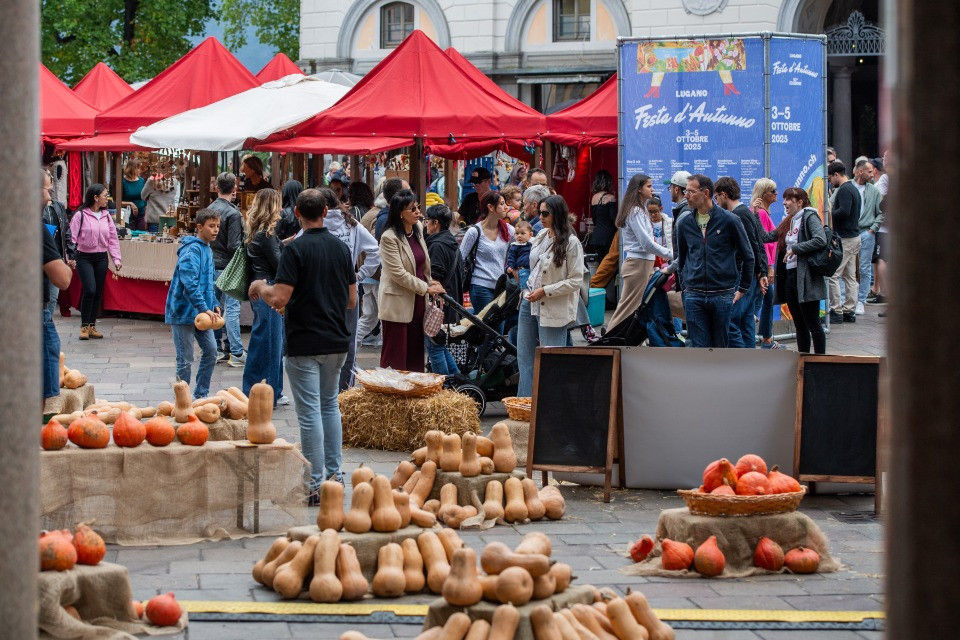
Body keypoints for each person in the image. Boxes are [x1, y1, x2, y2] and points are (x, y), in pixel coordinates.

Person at [249, 189, 357, 495]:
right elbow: (351, 300)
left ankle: (313, 484)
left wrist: (260, 286)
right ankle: (334, 477)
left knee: (310, 413)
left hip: (305, 340)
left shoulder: (294, 250)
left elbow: (279, 298)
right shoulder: (341, 248)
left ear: (296, 213)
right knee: (329, 406)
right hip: (336, 340)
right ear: (325, 212)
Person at [517, 195, 585, 396]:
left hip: (552, 306)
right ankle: (525, 406)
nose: (541, 217)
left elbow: (576, 281)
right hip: (529, 300)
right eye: (540, 213)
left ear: (558, 214)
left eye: (545, 213)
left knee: (550, 362)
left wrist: (545, 291)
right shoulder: (540, 235)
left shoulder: (572, 242)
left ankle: (549, 408)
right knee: (525, 360)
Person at [674, 174, 753, 348]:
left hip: (722, 294)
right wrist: (685, 288)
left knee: (720, 348)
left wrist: (742, 289)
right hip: (694, 294)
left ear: (706, 193)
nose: (686, 195)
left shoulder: (730, 220)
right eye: (685, 191)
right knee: (699, 348)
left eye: (691, 191)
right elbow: (681, 259)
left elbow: (748, 255)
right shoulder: (684, 223)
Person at [378, 189, 445, 371]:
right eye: (412, 209)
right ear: (400, 213)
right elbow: (398, 273)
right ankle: (392, 388)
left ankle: (413, 386)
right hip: (397, 303)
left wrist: (430, 281)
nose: (417, 212)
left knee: (415, 353)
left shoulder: (418, 230)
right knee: (396, 356)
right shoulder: (389, 237)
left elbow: (421, 264)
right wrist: (426, 287)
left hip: (418, 301)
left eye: (418, 207)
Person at [323, 187, 380, 390]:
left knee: (323, 340)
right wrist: (360, 274)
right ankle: (344, 388)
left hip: (320, 291)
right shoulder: (352, 224)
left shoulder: (315, 224)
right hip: (348, 289)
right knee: (348, 340)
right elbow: (375, 251)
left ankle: (326, 388)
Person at [761, 187, 827, 353]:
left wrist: (795, 249)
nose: (784, 203)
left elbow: (820, 239)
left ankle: (820, 361)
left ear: (800, 202)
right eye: (784, 199)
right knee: (799, 323)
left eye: (789, 199)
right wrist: (754, 215)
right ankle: (803, 359)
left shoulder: (809, 216)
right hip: (790, 277)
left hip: (806, 278)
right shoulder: (789, 221)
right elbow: (767, 237)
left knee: (813, 323)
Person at [164, 208, 222, 399]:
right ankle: (182, 401)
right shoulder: (191, 250)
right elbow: (190, 283)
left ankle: (201, 395)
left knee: (211, 351)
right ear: (199, 227)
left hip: (202, 312)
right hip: (183, 312)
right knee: (185, 359)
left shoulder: (207, 249)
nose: (215, 230)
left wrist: (213, 303)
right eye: (211, 226)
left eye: (217, 226)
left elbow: (209, 282)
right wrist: (204, 307)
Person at [607, 174, 673, 328]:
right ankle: (610, 339)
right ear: (638, 189)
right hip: (638, 265)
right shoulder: (635, 211)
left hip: (642, 264)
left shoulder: (640, 209)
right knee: (627, 309)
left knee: (638, 308)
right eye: (649, 186)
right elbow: (647, 244)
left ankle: (629, 340)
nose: (652, 189)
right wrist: (671, 254)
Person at [241, 189, 285, 402]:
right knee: (270, 343)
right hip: (268, 288)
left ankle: (267, 390)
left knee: (265, 340)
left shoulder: (256, 231)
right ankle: (267, 393)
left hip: (260, 287)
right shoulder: (267, 234)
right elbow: (279, 264)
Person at [715, 177, 768, 348]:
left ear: (723, 194)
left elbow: (752, 246)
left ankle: (741, 358)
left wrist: (759, 272)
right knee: (746, 323)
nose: (716, 202)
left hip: (743, 275)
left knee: (731, 321)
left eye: (716, 197)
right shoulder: (745, 212)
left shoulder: (738, 215)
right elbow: (758, 243)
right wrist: (761, 272)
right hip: (750, 275)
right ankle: (749, 359)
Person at [70, 184, 122, 340]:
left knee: (98, 291)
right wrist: (70, 257)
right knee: (90, 290)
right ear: (95, 197)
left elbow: (113, 239)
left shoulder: (107, 216)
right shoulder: (80, 215)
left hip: (101, 257)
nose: (107, 198)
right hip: (84, 257)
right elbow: (71, 237)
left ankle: (92, 326)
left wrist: (116, 259)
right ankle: (84, 326)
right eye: (105, 195)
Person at [208, 172, 246, 366]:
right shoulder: (233, 213)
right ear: (234, 189)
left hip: (211, 264)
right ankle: (236, 351)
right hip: (228, 266)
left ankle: (215, 349)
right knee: (231, 309)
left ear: (217, 188)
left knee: (214, 308)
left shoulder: (209, 209)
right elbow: (233, 245)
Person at [41, 172, 73, 401]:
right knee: (46, 389)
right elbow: (63, 279)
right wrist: (66, 266)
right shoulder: (34, 228)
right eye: (47, 190)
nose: (50, 197)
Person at [424, 203, 464, 376]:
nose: (425, 224)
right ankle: (456, 380)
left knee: (434, 348)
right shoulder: (450, 242)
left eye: (427, 220)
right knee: (440, 346)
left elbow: (435, 278)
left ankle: (446, 384)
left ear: (436, 223)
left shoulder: (437, 245)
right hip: (449, 303)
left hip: (439, 305)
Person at [459, 190, 514, 314]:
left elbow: (520, 247)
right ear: (490, 207)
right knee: (490, 323)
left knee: (498, 323)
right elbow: (460, 258)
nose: (506, 207)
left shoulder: (509, 230)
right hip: (480, 286)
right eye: (502, 204)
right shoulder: (474, 232)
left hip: (501, 287)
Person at [826, 161, 862, 324]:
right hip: (854, 236)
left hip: (845, 238)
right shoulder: (853, 188)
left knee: (833, 274)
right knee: (850, 276)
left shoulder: (844, 190)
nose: (830, 181)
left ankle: (836, 310)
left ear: (836, 175)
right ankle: (849, 310)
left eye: (830, 178)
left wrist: (829, 212)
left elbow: (844, 211)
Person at [749, 178, 782, 349]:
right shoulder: (760, 213)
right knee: (758, 302)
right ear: (763, 194)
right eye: (772, 191)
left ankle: (766, 338)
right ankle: (764, 339)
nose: (776, 193)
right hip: (763, 266)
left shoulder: (762, 213)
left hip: (763, 265)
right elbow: (762, 243)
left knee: (765, 299)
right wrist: (768, 267)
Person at [852, 159, 884, 316]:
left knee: (864, 268)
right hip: (849, 232)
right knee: (847, 268)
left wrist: (873, 229)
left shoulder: (874, 191)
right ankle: (847, 300)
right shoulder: (848, 187)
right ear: (860, 171)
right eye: (869, 171)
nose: (872, 174)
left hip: (866, 232)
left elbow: (881, 212)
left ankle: (861, 301)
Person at [42, 171, 76, 316]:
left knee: (52, 297)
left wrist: (71, 253)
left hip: (56, 254)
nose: (50, 192)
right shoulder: (35, 225)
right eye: (47, 189)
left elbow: (66, 230)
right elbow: (64, 279)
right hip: (47, 257)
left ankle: (47, 319)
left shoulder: (58, 206)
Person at [590, 170, 617, 257]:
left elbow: (594, 219)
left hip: (596, 236)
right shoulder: (611, 198)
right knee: (610, 262)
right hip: (609, 236)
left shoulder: (594, 197)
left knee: (600, 263)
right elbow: (613, 218)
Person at [121, 159, 147, 231]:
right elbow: (118, 202)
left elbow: (144, 198)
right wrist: (130, 204)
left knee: (142, 234)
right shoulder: (123, 182)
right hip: (128, 216)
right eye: (137, 168)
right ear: (132, 169)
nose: (139, 170)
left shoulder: (141, 181)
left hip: (141, 215)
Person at [506, 220, 533, 286]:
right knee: (524, 285)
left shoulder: (533, 243)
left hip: (532, 270)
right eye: (517, 233)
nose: (519, 236)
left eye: (522, 233)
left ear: (530, 235)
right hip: (521, 269)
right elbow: (511, 257)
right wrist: (510, 266)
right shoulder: (514, 246)